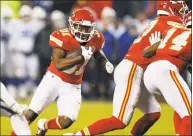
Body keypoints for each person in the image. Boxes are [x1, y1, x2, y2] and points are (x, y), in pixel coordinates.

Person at [65, 1, 188, 135]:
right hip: (134, 69)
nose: (183, 12)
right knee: (120, 120)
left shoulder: (158, 22)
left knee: (153, 113)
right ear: (173, 9)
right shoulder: (170, 25)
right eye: (181, 9)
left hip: (134, 68)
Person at [10, 9, 114, 136]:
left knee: (66, 121)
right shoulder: (62, 36)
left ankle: (44, 125)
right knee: (31, 113)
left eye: (87, 28)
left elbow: (97, 52)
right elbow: (59, 64)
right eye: (80, 27)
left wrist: (105, 62)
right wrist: (80, 57)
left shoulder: (96, 37)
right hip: (54, 79)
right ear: (71, 25)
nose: (83, 32)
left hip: (73, 84)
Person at [143, 11, 192, 135]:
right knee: (190, 115)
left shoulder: (171, 31)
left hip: (150, 73)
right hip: (166, 72)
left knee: (182, 107)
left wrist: (156, 45)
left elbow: (146, 53)